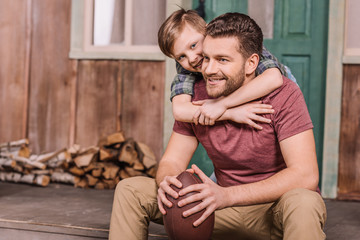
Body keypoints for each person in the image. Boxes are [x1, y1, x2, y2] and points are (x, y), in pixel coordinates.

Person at [109, 12, 327, 240]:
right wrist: (168, 182)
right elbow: (172, 160)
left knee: (305, 200)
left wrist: (227, 195)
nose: (209, 69)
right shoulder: (194, 97)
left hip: (272, 212)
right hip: (219, 209)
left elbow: (305, 175)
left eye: (222, 60)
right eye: (206, 58)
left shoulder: (284, 93)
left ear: (252, 62)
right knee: (131, 190)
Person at [158, 9, 297, 128]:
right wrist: (230, 113)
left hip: (279, 81)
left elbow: (273, 78)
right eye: (181, 56)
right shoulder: (186, 68)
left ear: (206, 30)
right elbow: (180, 110)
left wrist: (222, 104)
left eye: (193, 45)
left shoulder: (235, 42)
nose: (192, 58)